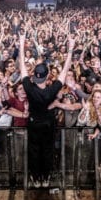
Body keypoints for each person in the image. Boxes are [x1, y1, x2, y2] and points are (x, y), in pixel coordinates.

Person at [19, 33, 74, 188]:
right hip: (49, 123)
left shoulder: (29, 88)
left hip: (33, 123)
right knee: (48, 151)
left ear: (34, 76)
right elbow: (64, 70)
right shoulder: (52, 90)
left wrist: (21, 43)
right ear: (47, 75)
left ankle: (36, 179)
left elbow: (22, 67)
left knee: (34, 151)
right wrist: (70, 49)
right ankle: (46, 178)